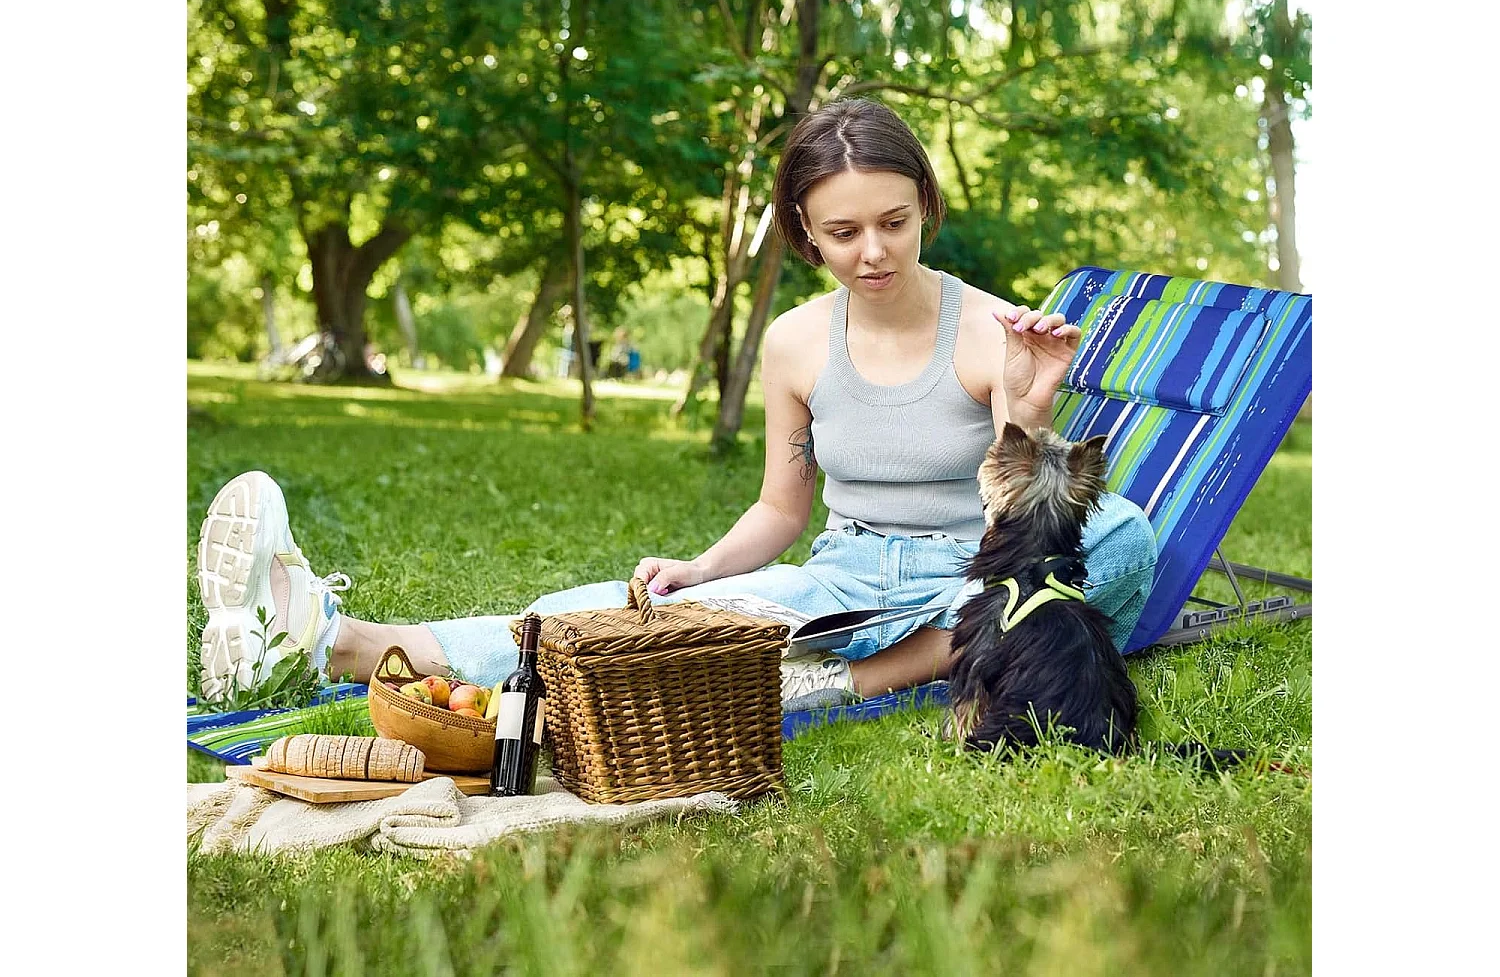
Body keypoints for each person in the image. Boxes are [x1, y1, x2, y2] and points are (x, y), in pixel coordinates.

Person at [194, 99, 1157, 712]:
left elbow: (1021, 532)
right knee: (631, 620)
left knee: (1123, 539)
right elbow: (785, 510)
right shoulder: (794, 343)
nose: (874, 251)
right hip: (846, 579)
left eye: (895, 222)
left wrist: (1029, 408)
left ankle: (856, 682)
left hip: (971, 580)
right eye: (844, 230)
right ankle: (326, 640)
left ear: (926, 207)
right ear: (803, 234)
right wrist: (697, 570)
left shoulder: (994, 328)